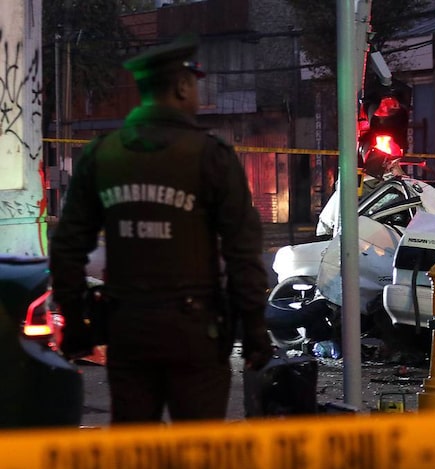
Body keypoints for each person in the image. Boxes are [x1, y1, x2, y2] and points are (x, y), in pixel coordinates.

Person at [49, 33, 274, 423]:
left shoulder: (103, 154)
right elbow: (243, 252)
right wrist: (254, 330)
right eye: (194, 84)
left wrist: (75, 323)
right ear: (182, 85)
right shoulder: (210, 157)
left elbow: (67, 246)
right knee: (198, 454)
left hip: (127, 330)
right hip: (194, 334)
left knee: (135, 456)